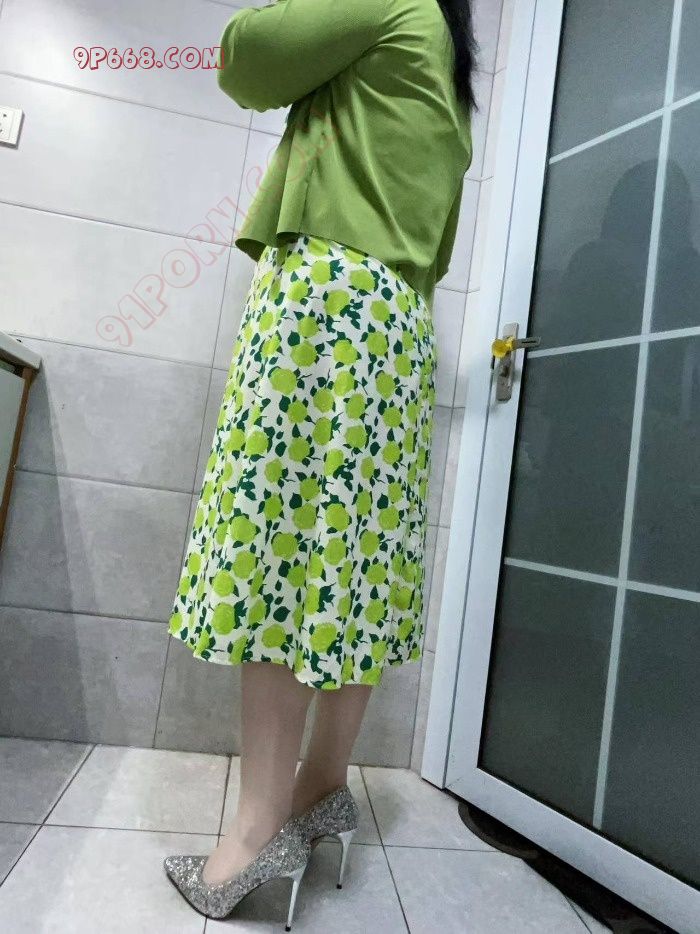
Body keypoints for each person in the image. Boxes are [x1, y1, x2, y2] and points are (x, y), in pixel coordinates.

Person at [164, 0, 475, 925]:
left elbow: (245, 58)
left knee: (279, 552)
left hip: (325, 301)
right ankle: (322, 785)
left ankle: (255, 832)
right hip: (397, 323)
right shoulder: (447, 52)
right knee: (354, 560)